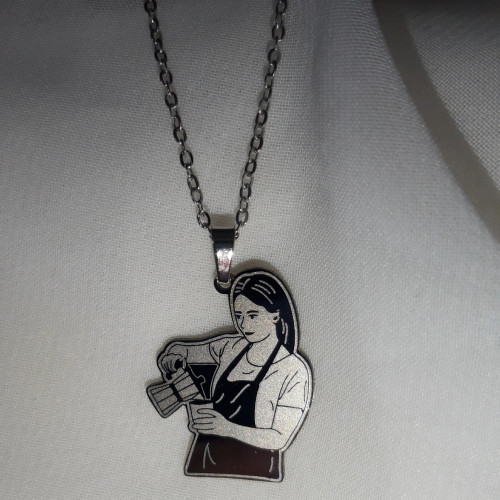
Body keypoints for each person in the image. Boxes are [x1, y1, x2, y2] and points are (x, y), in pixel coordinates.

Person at [159, 269, 312, 481]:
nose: (243, 325)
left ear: (275, 315)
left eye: (253, 316)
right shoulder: (232, 348)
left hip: (256, 470)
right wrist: (171, 358)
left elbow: (280, 438)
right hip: (204, 460)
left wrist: (226, 428)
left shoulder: (293, 370)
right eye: (239, 316)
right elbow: (183, 350)